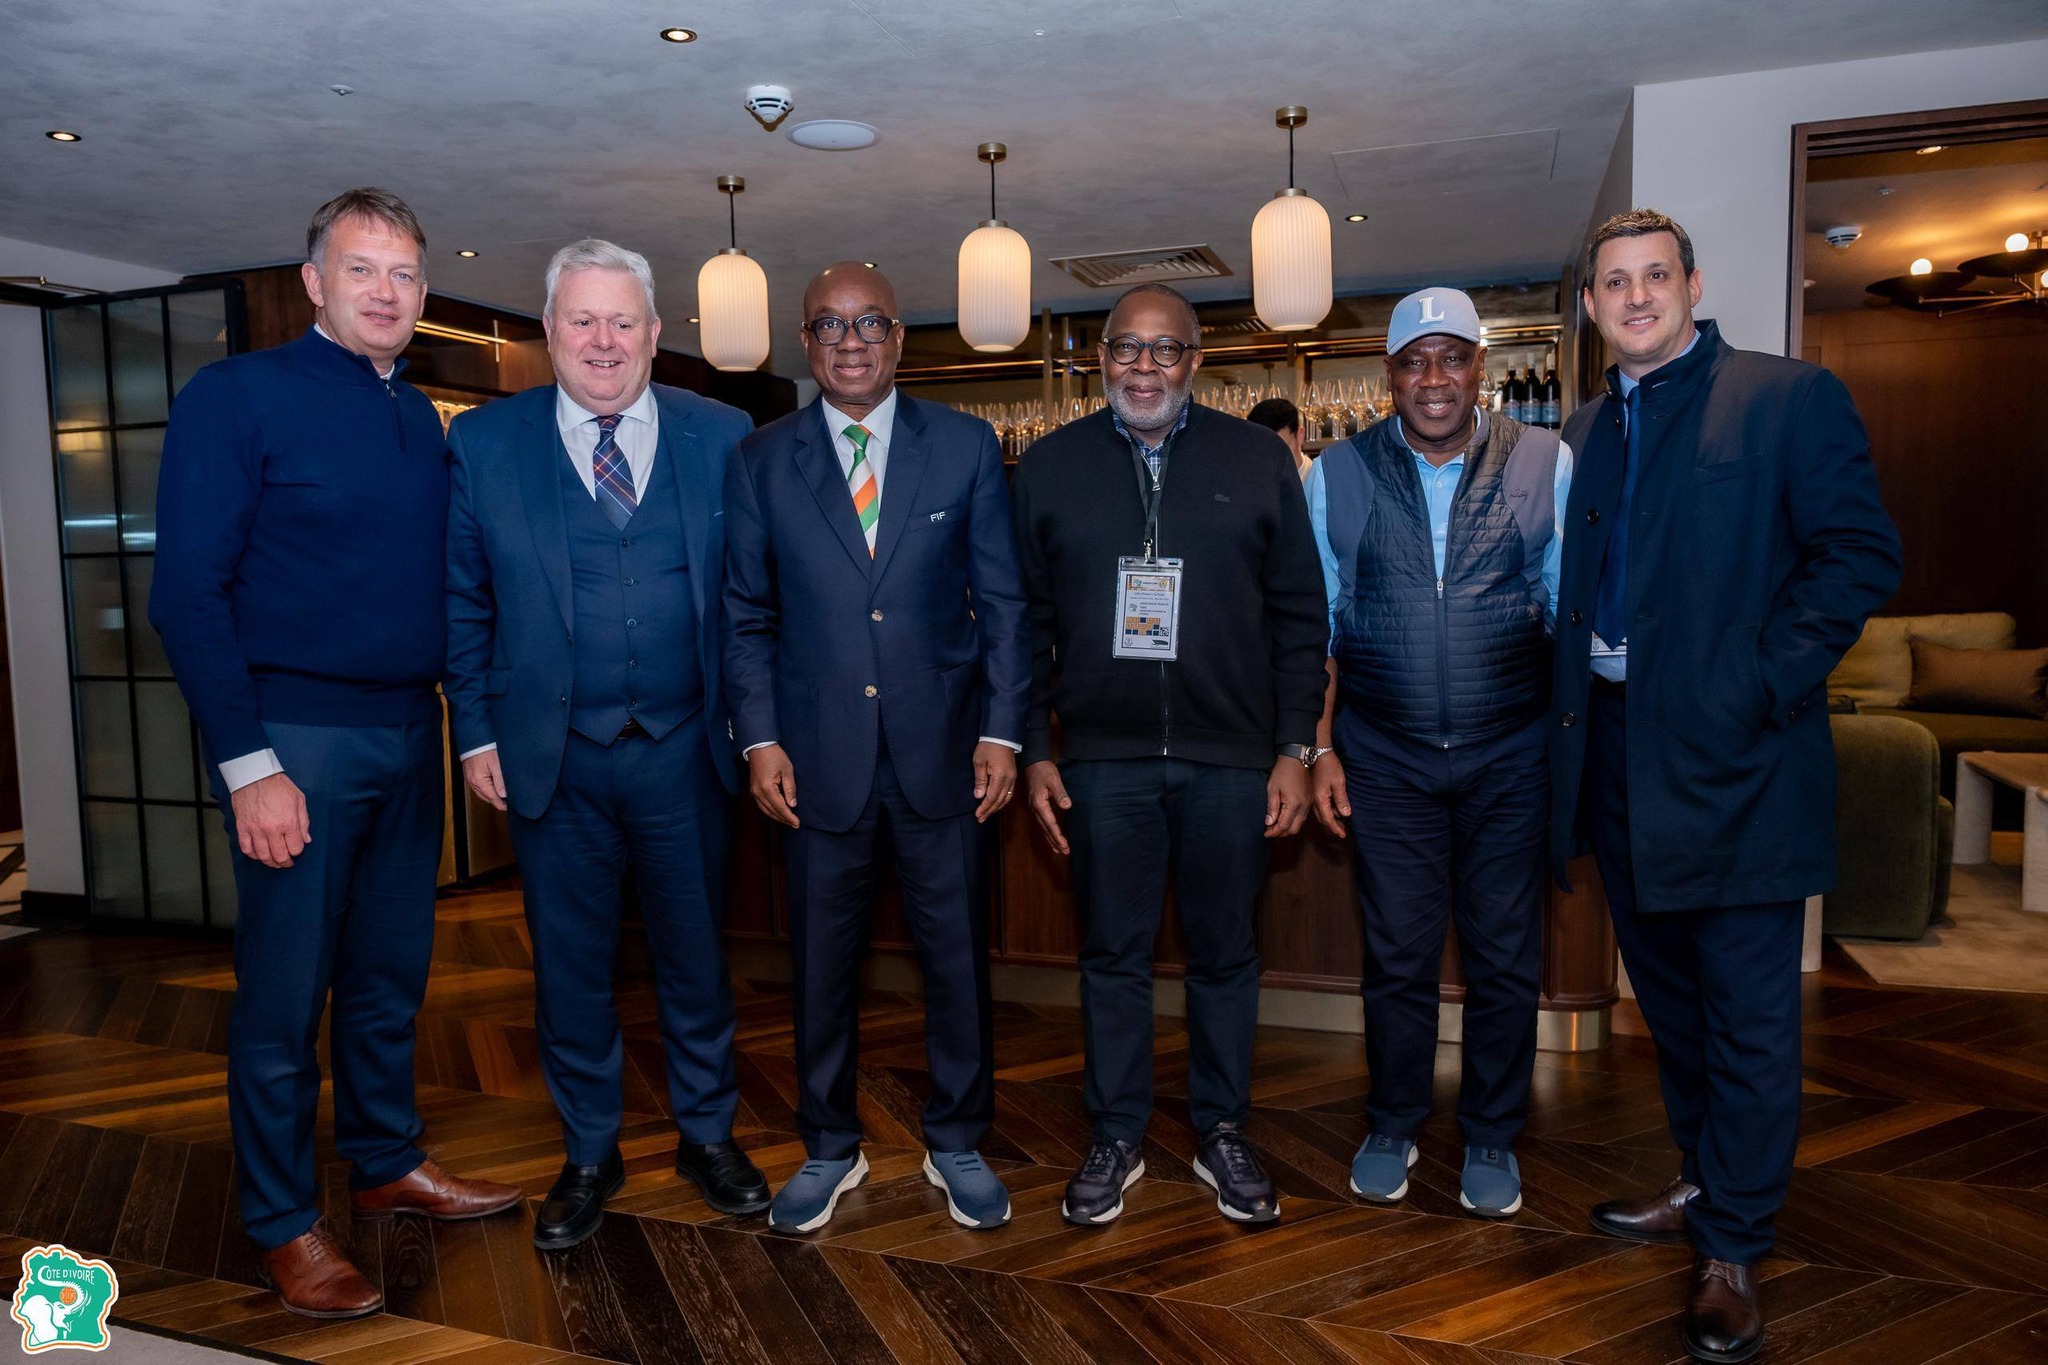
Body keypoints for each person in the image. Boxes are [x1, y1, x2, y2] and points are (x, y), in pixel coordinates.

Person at [151, 188, 519, 1320]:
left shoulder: (419, 417)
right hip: (294, 741)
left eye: (404, 274)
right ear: (315, 282)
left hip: (410, 730)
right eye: (362, 269)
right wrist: (250, 767)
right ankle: (280, 1221)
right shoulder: (235, 396)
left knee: (386, 979)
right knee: (283, 996)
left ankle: (385, 1159)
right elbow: (186, 595)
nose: (386, 292)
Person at [1552, 209, 1900, 1363]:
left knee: (1748, 1017)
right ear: (1591, 306)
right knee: (1671, 1007)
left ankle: (1734, 1247)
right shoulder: (1585, 428)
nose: (1635, 296)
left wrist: (1755, 682)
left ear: (1690, 286)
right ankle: (1703, 1183)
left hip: (1740, 762)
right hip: (1617, 755)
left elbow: (1858, 554)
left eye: (1654, 275)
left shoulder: (1783, 398)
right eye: (1614, 282)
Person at [444, 239, 767, 1250]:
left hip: (686, 749)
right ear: (549, 331)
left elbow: (756, 595)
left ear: (655, 334)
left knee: (695, 958)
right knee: (570, 969)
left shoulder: (724, 433)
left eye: (622, 321)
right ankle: (589, 1151)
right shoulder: (484, 443)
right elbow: (463, 601)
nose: (602, 340)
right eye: (581, 320)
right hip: (554, 756)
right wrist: (474, 731)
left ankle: (707, 1136)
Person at [723, 262, 1030, 1234]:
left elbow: (1005, 605)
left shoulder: (965, 446)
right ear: (805, 343)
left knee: (955, 961)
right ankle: (828, 1145)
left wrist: (1002, 729)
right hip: (815, 762)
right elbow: (745, 614)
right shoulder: (761, 459)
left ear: (899, 338)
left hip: (947, 754)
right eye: (829, 325)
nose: (849, 342)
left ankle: (958, 1140)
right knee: (820, 965)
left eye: (869, 324)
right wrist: (758, 737)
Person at [1015, 283, 1328, 1226]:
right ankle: (1116, 1133)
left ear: (1196, 361)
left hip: (1232, 759)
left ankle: (1221, 1128)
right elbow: (1023, 624)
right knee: (1111, 954)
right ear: (1100, 359)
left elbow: (1301, 616)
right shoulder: (1051, 465)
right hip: (1101, 761)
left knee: (1226, 954)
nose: (1143, 367)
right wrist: (1035, 749)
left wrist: (1295, 746)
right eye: (1126, 348)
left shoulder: (1257, 460)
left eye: (1165, 349)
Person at [1305, 287, 1569, 1221]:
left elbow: (1565, 606)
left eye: (1452, 357)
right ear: (1389, 375)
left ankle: (1492, 1131)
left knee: (1504, 955)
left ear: (1479, 369)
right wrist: (1319, 745)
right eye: (1414, 362)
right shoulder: (1337, 471)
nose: (1434, 378)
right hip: (1386, 755)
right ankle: (1393, 1120)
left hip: (1511, 753)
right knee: (1398, 954)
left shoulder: (1543, 458)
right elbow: (1318, 626)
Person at [1247, 396, 1312, 480]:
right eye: (1262, 451)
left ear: (1300, 436)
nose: (1272, 459)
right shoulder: (1246, 480)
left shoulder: (1320, 482)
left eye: (1280, 450)